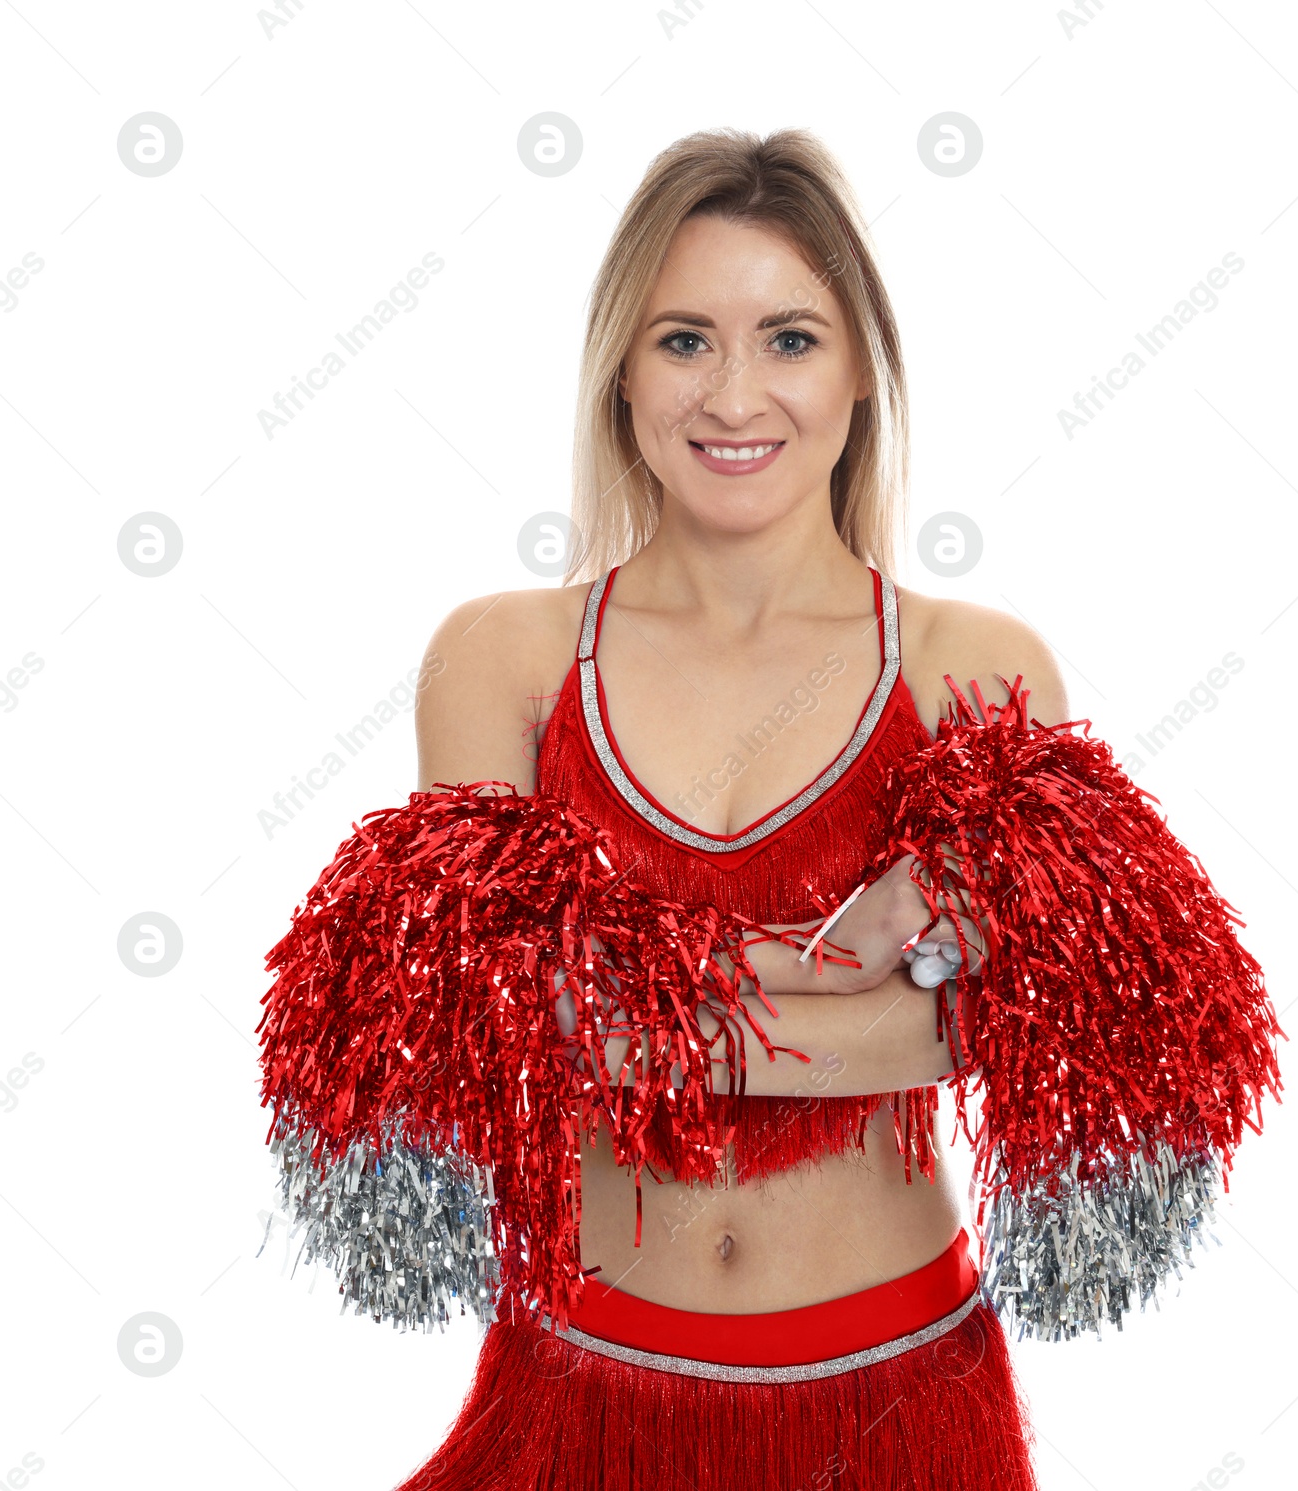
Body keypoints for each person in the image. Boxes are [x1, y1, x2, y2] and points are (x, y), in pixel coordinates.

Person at [397, 128, 1056, 1486]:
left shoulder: (971, 666)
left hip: (897, 1400)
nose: (735, 394)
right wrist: (811, 975)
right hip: (579, 1387)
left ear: (865, 371)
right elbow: (521, 1019)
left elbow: (994, 1027)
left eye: (792, 340)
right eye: (685, 339)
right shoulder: (502, 659)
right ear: (621, 375)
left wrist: (651, 994)